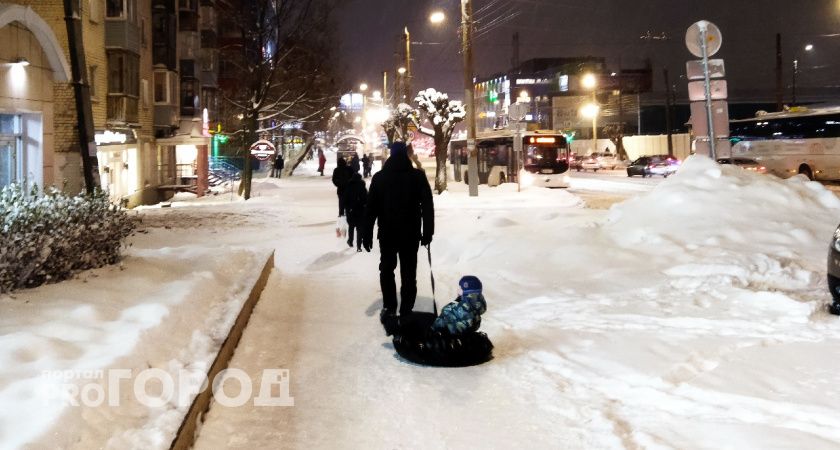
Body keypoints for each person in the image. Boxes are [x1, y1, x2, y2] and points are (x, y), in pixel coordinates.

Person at [364, 141, 434, 322]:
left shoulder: (380, 178)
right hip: (410, 235)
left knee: (387, 270)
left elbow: (371, 208)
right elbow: (427, 206)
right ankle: (406, 310)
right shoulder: (417, 177)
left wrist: (366, 233)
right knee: (409, 272)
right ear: (406, 154)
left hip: (387, 234)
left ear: (391, 155)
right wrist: (428, 231)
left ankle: (389, 307)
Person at [343, 171, 367, 251]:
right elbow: (366, 198)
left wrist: (346, 208)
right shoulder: (363, 186)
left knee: (351, 226)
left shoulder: (349, 186)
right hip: (361, 210)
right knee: (360, 229)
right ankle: (359, 246)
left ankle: (350, 241)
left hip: (351, 210)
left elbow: (345, 199)